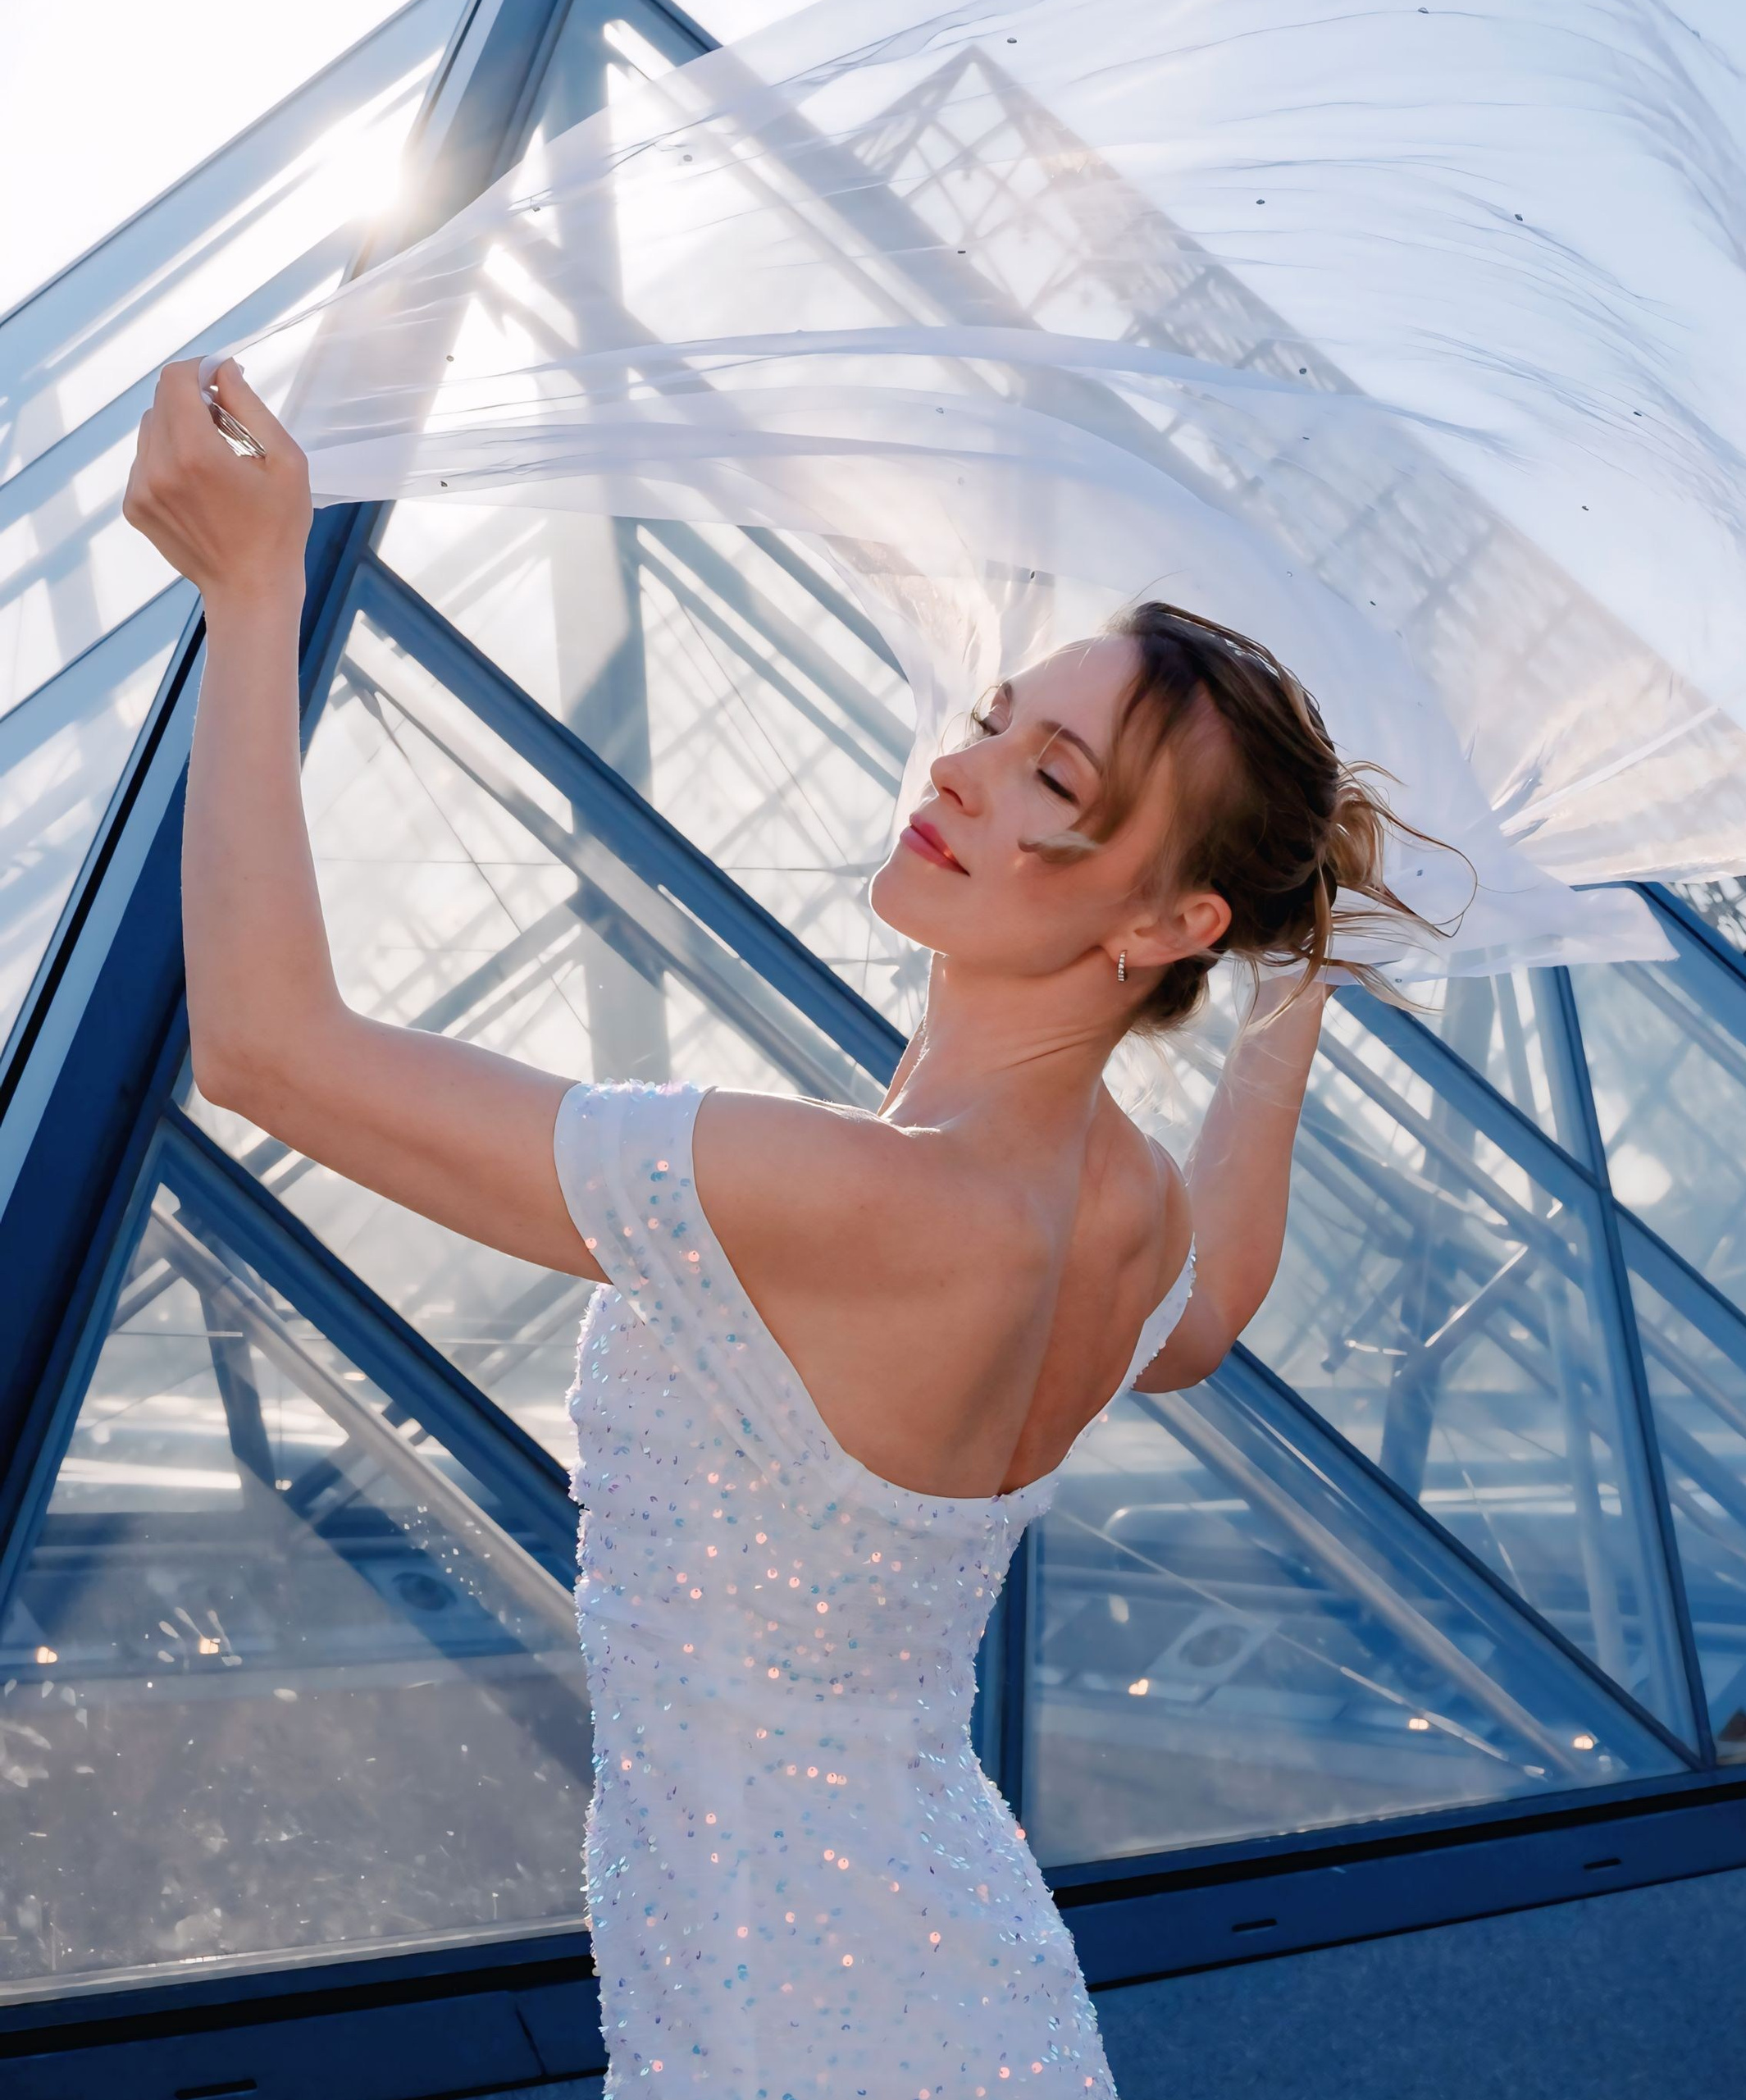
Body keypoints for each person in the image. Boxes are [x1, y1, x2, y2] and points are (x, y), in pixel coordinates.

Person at [123, 358, 1437, 2097]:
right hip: (947, 1995)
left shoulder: (870, 1197)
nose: (960, 767)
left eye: (1051, 776)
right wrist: (1295, 975)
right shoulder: (1128, 1219)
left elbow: (269, 1049)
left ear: (1167, 922)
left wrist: (251, 594)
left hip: (786, 2034)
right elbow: (1212, 1313)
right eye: (995, 719)